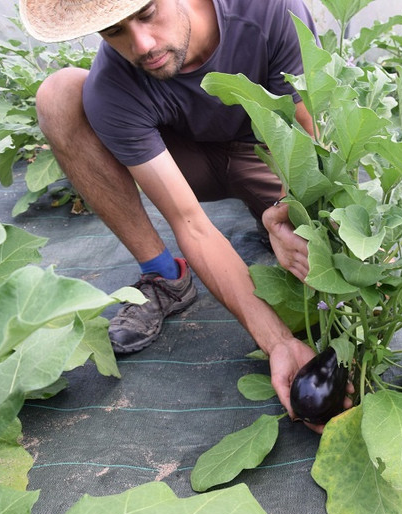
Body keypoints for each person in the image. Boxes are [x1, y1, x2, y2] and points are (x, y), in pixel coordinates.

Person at [19, 0, 323, 427]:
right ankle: (165, 275)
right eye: (113, 31)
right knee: (60, 94)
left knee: (313, 244)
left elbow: (312, 138)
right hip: (182, 162)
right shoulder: (113, 84)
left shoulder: (268, 11)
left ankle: (269, 218)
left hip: (268, 153)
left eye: (146, 13)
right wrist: (278, 342)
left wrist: (288, 208)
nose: (141, 44)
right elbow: (191, 223)